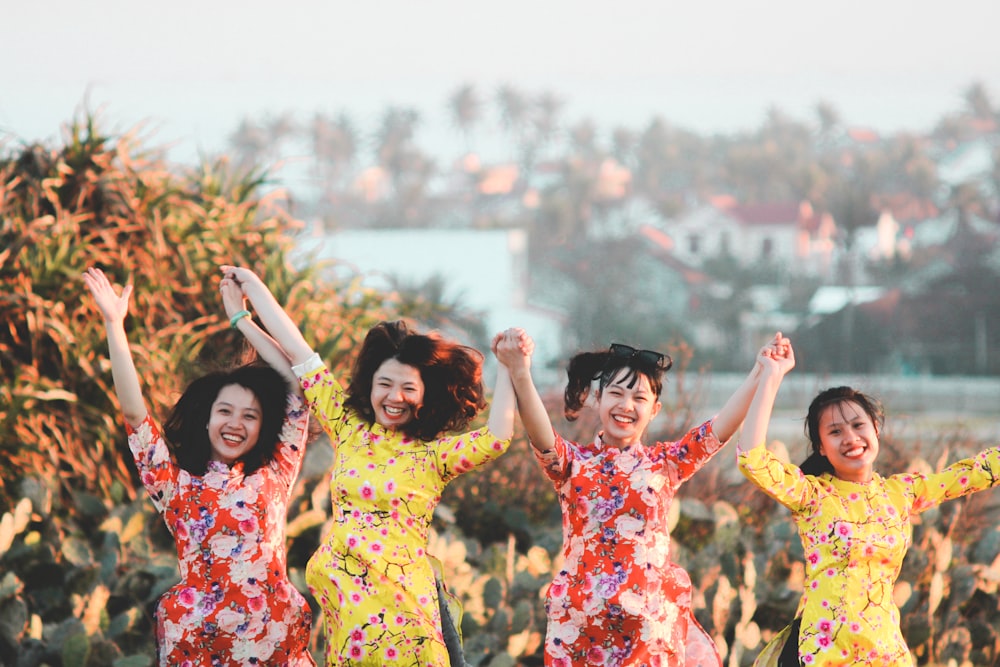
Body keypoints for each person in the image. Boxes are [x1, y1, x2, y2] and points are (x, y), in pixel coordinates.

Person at [218, 264, 521, 667]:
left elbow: (497, 437)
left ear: (424, 397)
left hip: (406, 615)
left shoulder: (432, 456)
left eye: (408, 388)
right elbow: (299, 356)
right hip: (348, 615)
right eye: (385, 384)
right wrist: (248, 305)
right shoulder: (347, 428)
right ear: (370, 386)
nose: (394, 396)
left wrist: (510, 366)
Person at [495, 330, 792, 666]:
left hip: (648, 627)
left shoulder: (667, 463)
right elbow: (541, 435)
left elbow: (719, 430)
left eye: (639, 398)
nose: (626, 406)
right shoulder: (572, 463)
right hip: (580, 624)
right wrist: (520, 371)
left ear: (654, 410)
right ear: (598, 399)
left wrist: (761, 370)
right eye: (616, 394)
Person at [83, 267, 315, 666]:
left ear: (264, 428)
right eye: (225, 411)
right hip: (198, 646)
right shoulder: (175, 486)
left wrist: (242, 319)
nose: (235, 424)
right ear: (206, 419)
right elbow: (134, 413)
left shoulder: (277, 470)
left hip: (276, 642)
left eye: (250, 416)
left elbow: (294, 382)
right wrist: (113, 325)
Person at [738, 383, 1000, 666]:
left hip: (884, 651)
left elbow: (973, 473)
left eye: (857, 425)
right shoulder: (812, 495)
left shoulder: (900, 493)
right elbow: (753, 460)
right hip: (824, 653)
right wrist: (770, 374)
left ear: (875, 428)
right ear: (821, 448)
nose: (851, 438)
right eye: (835, 432)